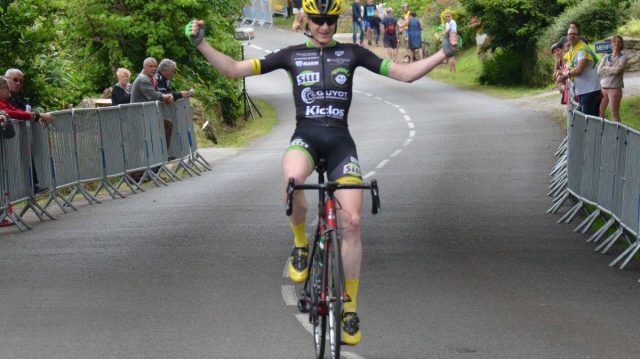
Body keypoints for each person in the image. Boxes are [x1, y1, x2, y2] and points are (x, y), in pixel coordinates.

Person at [184, 0, 454, 346]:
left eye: (329, 20)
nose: (324, 27)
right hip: (306, 136)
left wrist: (443, 53)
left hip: (341, 142)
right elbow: (235, 70)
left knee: (353, 222)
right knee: (294, 179)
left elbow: (404, 74)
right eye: (317, 20)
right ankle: (300, 244)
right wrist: (201, 44)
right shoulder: (292, 55)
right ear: (306, 20)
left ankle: (351, 309)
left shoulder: (353, 53)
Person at [0, 74, 52, 194]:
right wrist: (34, 115)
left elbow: (15, 110)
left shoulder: (5, 102)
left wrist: (34, 115)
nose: (9, 91)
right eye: (6, 88)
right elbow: (11, 113)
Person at [559, 23, 601, 117]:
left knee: (589, 120)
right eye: (569, 34)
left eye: (574, 34)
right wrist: (561, 73)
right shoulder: (573, 49)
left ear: (579, 36)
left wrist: (565, 75)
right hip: (583, 90)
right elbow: (569, 65)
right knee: (590, 119)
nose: (571, 36)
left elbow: (578, 70)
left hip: (590, 89)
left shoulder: (582, 49)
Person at [598, 35, 627, 122]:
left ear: (621, 44)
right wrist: (612, 70)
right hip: (603, 88)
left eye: (619, 42)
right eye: (614, 41)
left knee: (614, 113)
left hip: (615, 89)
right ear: (611, 44)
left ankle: (618, 134)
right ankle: (602, 132)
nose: (616, 43)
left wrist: (606, 69)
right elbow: (599, 71)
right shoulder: (606, 57)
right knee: (600, 112)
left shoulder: (623, 57)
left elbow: (617, 71)